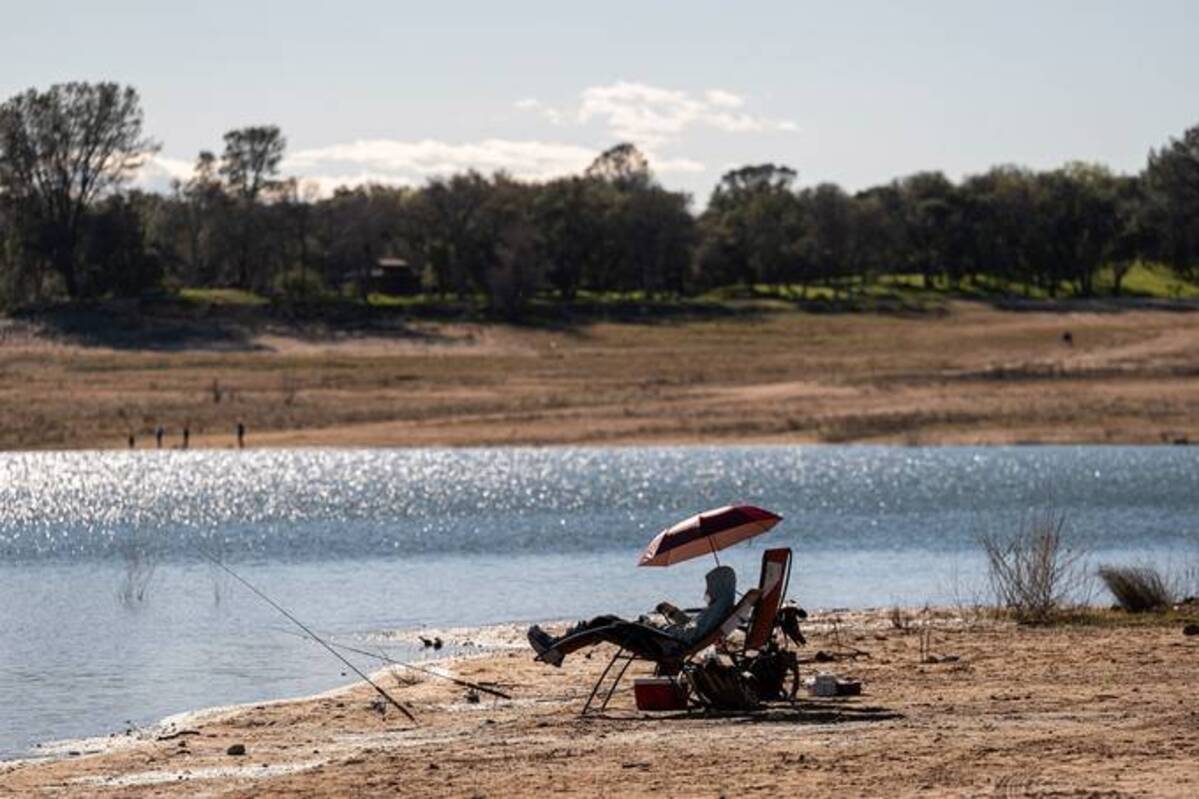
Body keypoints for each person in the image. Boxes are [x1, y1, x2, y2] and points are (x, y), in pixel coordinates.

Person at [527, 565, 737, 668]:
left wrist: (658, 626)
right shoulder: (719, 608)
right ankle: (557, 649)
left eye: (711, 585)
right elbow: (694, 628)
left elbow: (689, 634)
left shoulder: (718, 610)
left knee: (606, 624)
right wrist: (673, 613)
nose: (707, 590)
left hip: (664, 643)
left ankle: (555, 649)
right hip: (665, 639)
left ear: (719, 585)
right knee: (607, 621)